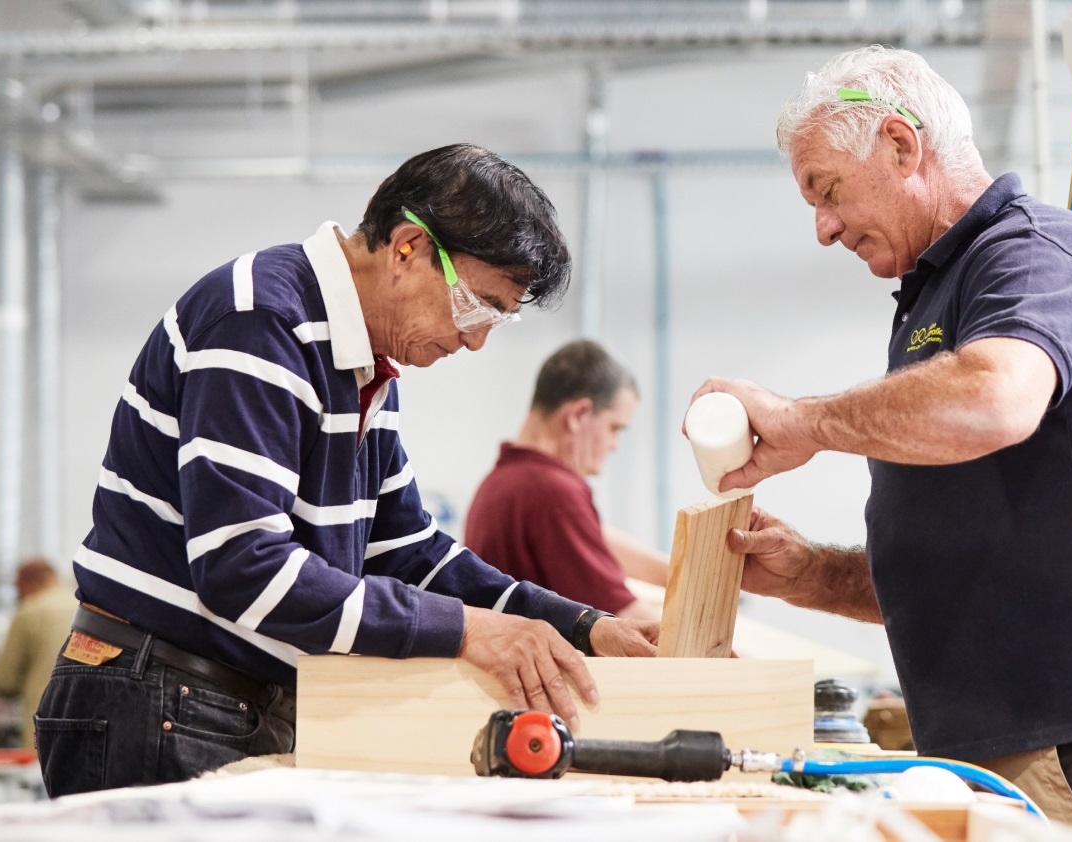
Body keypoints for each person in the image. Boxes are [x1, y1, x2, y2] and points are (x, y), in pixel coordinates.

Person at [690, 47, 1072, 836]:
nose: (823, 227)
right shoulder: (935, 296)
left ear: (902, 146)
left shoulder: (1035, 257)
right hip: (1011, 746)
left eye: (828, 190)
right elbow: (975, 565)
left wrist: (802, 421)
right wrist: (815, 575)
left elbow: (997, 398)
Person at [36, 143, 658, 797]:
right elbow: (243, 569)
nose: (477, 339)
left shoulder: (366, 368)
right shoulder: (262, 322)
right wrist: (468, 630)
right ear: (409, 248)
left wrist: (582, 627)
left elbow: (410, 552)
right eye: (479, 306)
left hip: (223, 703)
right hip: (160, 696)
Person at [465, 340, 667, 621]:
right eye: (614, 428)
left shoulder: (500, 483)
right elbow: (628, 623)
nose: (614, 444)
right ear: (578, 415)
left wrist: (680, 573)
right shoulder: (554, 494)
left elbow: (596, 537)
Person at [0, 559, 77, 748]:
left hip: (44, 723)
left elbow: (6, 680)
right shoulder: (84, 604)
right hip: (89, 721)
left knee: (40, 775)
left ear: (24, 584)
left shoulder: (29, 610)